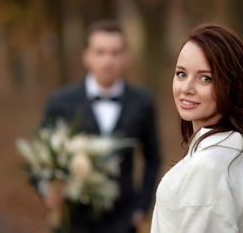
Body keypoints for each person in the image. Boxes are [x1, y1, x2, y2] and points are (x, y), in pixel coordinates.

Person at [150, 24, 243, 232]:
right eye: (181, 74)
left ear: (232, 86)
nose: (186, 88)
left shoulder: (207, 167)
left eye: (206, 78)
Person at [39, 20, 161, 233]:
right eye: (100, 52)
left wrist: (142, 207)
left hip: (124, 221)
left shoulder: (143, 102)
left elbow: (153, 156)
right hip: (72, 222)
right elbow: (40, 155)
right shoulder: (60, 101)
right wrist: (47, 191)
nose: (108, 61)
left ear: (126, 58)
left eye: (115, 53)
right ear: (86, 56)